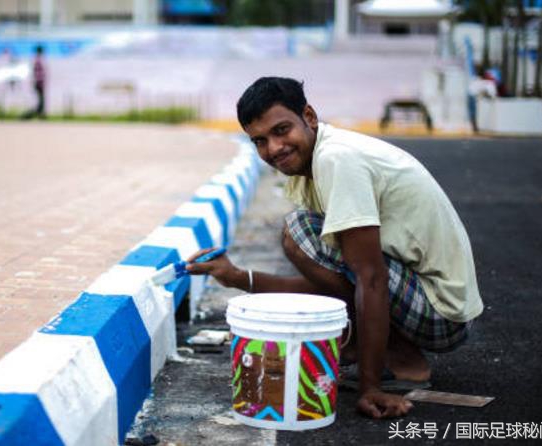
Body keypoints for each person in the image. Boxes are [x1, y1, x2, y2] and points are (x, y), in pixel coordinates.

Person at [187, 77, 483, 420]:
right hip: (425, 300)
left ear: (309, 116)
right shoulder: (311, 163)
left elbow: (370, 279)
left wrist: (370, 388)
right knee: (304, 233)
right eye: (260, 141)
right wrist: (238, 277)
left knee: (300, 231)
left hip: (441, 312)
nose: (274, 148)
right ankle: (382, 350)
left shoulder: (336, 159)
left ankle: (399, 358)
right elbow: (341, 284)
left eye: (282, 130)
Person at [22, 45, 46, 119]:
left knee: (40, 101)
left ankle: (40, 115)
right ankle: (31, 115)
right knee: (40, 101)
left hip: (38, 82)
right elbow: (37, 73)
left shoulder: (37, 59)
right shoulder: (38, 60)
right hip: (38, 83)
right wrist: (39, 81)